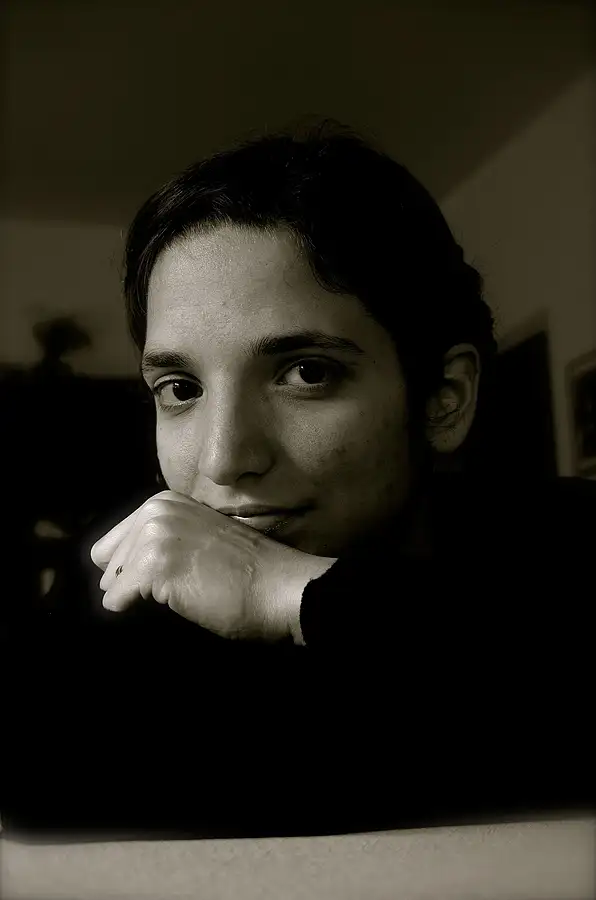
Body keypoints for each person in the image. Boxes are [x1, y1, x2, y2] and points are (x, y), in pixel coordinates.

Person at [3, 120, 593, 842]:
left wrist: (291, 595)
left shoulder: (567, 553)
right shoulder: (113, 587)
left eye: (307, 373)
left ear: (444, 399)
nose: (224, 459)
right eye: (181, 388)